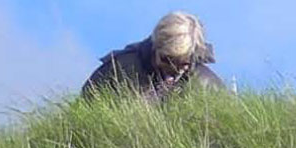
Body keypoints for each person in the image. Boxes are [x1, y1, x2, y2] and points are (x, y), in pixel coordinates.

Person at [83, 12, 225, 102]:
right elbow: (85, 108)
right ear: (155, 47)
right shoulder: (119, 70)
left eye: (182, 63)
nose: (174, 69)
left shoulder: (207, 85)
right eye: (168, 60)